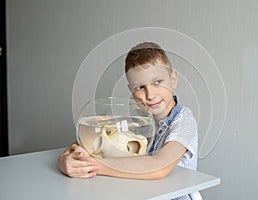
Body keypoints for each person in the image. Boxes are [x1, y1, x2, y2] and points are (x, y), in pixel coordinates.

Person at [58, 42, 198, 199]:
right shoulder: (137, 120)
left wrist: (91, 166)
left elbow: (159, 167)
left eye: (157, 82)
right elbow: (87, 144)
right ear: (131, 89)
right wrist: (66, 162)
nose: (150, 95)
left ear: (173, 79)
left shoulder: (184, 121)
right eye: (140, 87)